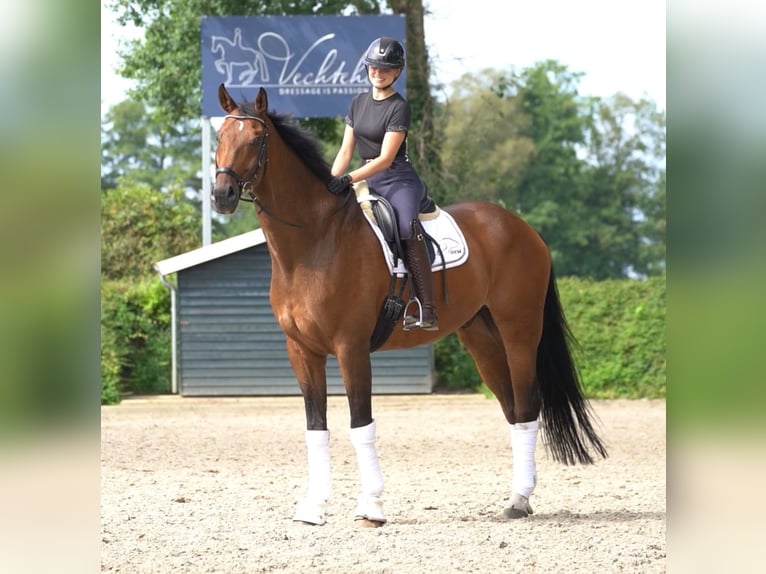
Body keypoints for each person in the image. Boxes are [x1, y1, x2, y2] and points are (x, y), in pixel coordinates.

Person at [327, 37, 438, 331]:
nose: (379, 72)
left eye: (386, 69)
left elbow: (386, 158)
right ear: (367, 68)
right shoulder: (358, 103)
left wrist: (348, 178)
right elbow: (345, 152)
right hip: (365, 177)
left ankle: (426, 306)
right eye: (374, 67)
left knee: (405, 227)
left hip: (396, 179)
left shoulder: (399, 108)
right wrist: (328, 182)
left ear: (397, 72)